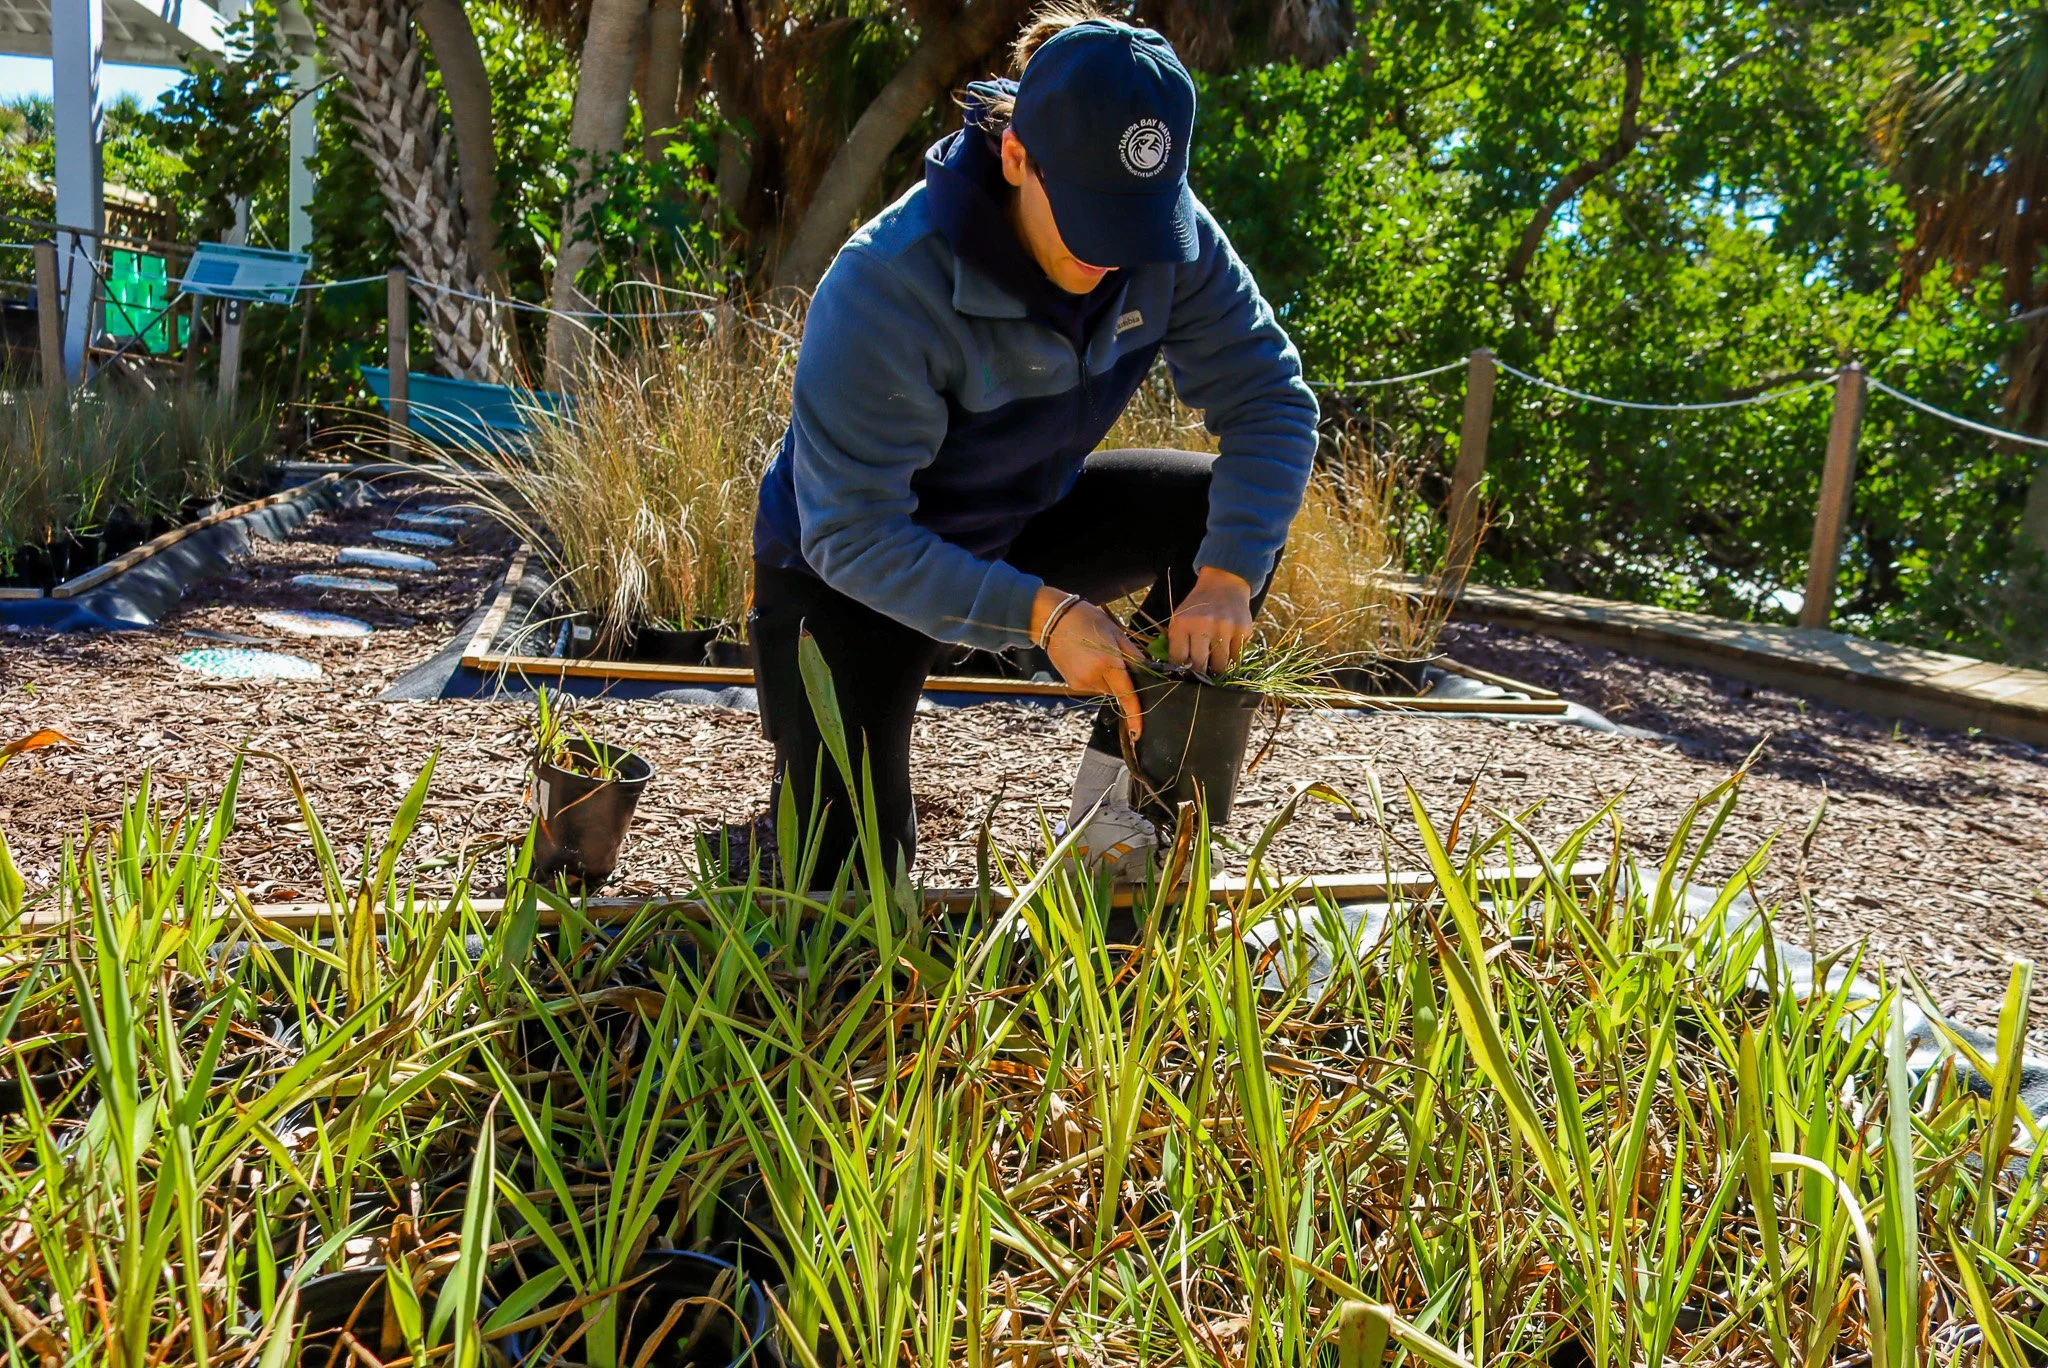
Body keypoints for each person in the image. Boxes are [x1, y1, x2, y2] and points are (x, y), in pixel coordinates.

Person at [746, 3, 1317, 882]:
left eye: (1139, 225)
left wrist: (1230, 574)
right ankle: (793, 826)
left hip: (1022, 522)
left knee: (1217, 516)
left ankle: (1124, 840)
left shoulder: (1170, 234)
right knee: (849, 902)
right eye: (1093, 222)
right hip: (846, 578)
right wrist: (1042, 614)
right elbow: (851, 533)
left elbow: (1274, 402)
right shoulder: (885, 283)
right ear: (1017, 157)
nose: (1117, 257)